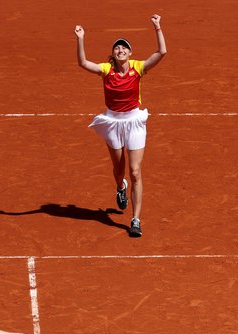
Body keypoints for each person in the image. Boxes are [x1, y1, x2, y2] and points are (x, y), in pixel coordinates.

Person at [75, 15, 167, 237]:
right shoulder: (106, 70)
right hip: (113, 122)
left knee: (135, 171)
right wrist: (81, 38)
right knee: (119, 171)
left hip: (134, 121)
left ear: (130, 53)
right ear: (114, 54)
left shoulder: (138, 68)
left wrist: (157, 27)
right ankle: (120, 187)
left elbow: (162, 52)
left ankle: (135, 219)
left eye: (124, 47)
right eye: (117, 48)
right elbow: (83, 63)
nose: (121, 50)